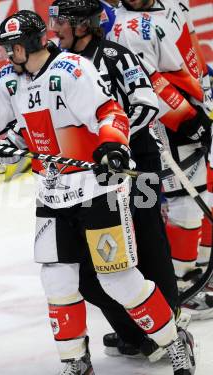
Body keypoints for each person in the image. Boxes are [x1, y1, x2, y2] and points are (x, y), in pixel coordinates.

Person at [0, 10, 196, 375]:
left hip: (96, 189)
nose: (8, 55)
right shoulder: (9, 80)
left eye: (13, 47)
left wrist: (112, 145)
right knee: (57, 280)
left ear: (31, 43)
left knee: (118, 278)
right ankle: (75, 360)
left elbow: (109, 112)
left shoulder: (72, 70)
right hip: (52, 194)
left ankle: (174, 340)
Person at [48, 0, 187, 361]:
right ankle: (135, 331)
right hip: (89, 177)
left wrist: (113, 146)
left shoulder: (115, 55)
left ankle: (169, 327)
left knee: (147, 243)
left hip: (133, 165)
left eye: (62, 21)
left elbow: (145, 104)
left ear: (83, 25)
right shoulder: (56, 65)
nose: (55, 28)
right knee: (93, 266)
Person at [108, 0, 213, 319]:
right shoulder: (127, 29)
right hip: (168, 123)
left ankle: (196, 268)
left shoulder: (173, 3)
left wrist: (205, 98)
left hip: (198, 105)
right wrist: (187, 119)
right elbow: (147, 84)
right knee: (184, 202)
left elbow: (190, 53)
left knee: (203, 193)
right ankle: (179, 284)